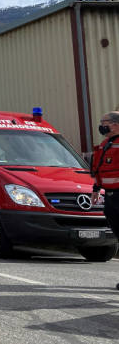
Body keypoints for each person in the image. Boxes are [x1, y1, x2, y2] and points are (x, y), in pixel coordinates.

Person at [91, 111, 119, 290]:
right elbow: (99, 169)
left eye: (105, 122)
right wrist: (96, 190)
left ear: (115, 124)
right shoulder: (105, 144)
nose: (101, 125)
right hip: (110, 197)